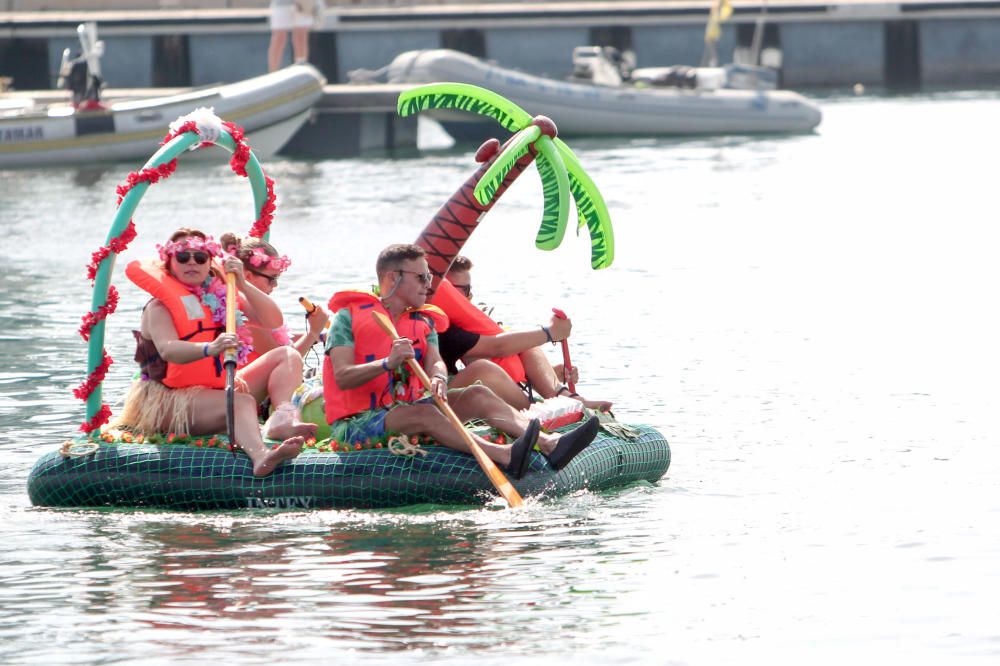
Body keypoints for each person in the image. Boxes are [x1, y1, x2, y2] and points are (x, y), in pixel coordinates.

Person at [323, 243, 599, 479]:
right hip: (358, 422)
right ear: (393, 277)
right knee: (426, 413)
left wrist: (439, 378)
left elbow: (435, 361)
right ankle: (504, 456)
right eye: (420, 277)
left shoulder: (423, 320)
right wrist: (387, 363)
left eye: (429, 276)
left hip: (409, 408)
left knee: (477, 393)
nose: (428, 284)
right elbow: (343, 376)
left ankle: (549, 444)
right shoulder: (347, 319)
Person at [113, 228, 316, 476]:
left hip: (214, 390)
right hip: (170, 400)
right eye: (183, 257)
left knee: (287, 355)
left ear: (209, 262)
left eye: (200, 257)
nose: (191, 262)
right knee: (240, 402)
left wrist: (241, 281)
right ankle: (260, 455)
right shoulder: (159, 307)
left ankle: (283, 419)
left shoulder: (220, 297)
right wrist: (212, 347)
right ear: (169, 262)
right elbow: (169, 350)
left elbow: (272, 320)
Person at [434, 256, 613, 412]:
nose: (469, 296)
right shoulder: (441, 326)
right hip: (437, 394)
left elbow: (502, 352)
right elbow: (496, 347)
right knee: (483, 369)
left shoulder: (459, 322)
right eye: (462, 290)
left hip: (453, 385)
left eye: (470, 289)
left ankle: (566, 397)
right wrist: (550, 332)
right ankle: (538, 412)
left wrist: (548, 374)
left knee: (525, 345)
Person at [221, 232, 329, 359]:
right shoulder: (243, 315)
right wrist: (313, 333)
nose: (276, 284)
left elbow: (280, 337)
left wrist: (322, 336)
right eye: (272, 278)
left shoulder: (254, 307)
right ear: (247, 276)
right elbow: (288, 360)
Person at [268, 0, 322, 72]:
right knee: (279, 37)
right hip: (282, 4)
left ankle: (301, 69)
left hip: (305, 4)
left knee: (301, 36)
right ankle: (273, 72)